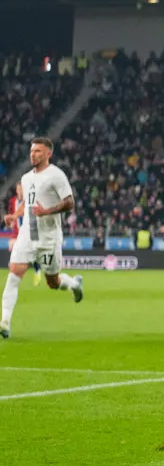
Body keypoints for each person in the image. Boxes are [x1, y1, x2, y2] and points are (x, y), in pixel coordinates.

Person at [1, 138, 84, 339]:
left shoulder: (56, 175)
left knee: (53, 282)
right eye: (32, 151)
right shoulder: (27, 178)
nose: (33, 154)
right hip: (28, 234)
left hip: (49, 238)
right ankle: (5, 321)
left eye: (38, 151)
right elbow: (27, 203)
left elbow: (69, 202)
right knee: (14, 274)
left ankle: (73, 284)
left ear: (48, 154)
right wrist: (15, 215)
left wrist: (48, 211)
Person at [9, 183, 43, 286]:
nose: (19, 191)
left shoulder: (29, 201)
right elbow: (12, 212)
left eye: (21, 189)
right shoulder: (13, 201)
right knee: (11, 246)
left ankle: (37, 270)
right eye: (18, 189)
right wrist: (11, 222)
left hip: (27, 231)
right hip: (16, 231)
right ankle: (15, 271)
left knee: (31, 252)